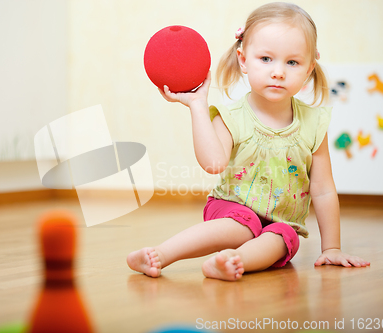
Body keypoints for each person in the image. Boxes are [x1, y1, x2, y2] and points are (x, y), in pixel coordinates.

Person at [127, 2, 370, 281]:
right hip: (231, 209)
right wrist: (197, 105)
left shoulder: (314, 124)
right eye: (266, 59)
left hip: (280, 221)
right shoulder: (232, 117)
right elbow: (213, 163)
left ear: (309, 69)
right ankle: (160, 254)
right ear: (243, 60)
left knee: (285, 237)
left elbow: (324, 190)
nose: (278, 71)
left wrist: (332, 248)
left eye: (292, 62)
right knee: (246, 224)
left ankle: (232, 261)